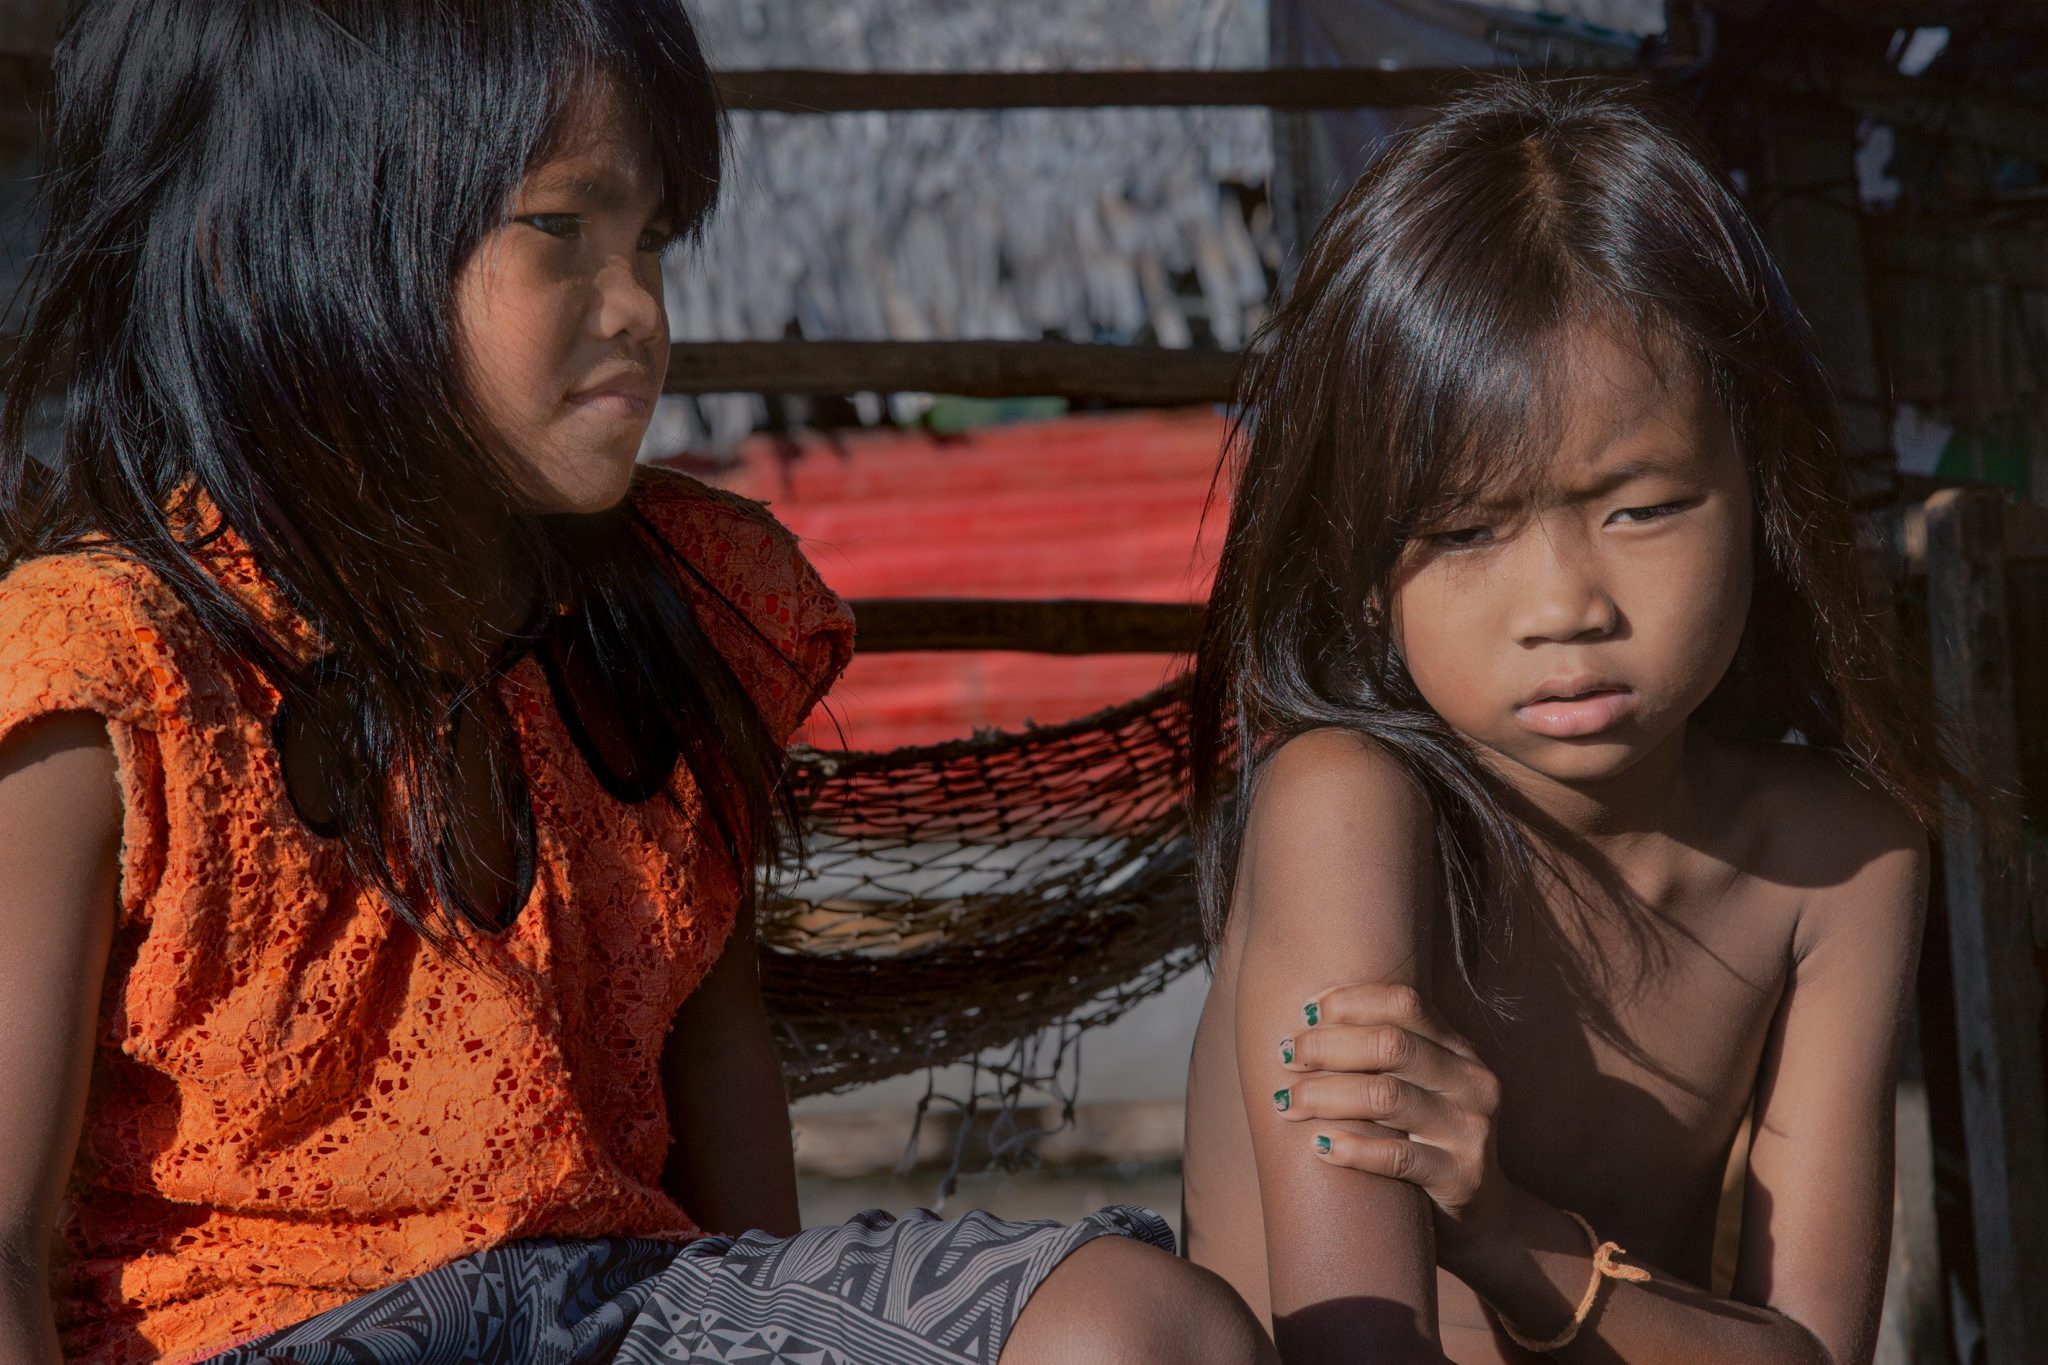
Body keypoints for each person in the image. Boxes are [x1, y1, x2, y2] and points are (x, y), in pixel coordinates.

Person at [0, 4, 1276, 1362]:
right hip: (267, 1330)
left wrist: (797, 1325)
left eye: (653, 243)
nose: (639, 313)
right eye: (560, 229)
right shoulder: (110, 676)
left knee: (1145, 1331)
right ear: (272, 249)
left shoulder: (665, 616)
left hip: (628, 1305)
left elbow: (722, 1091)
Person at [1180, 77, 1944, 1365]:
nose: (1565, 605)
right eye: (1465, 533)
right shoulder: (1345, 807)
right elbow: (1353, 1349)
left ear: (1753, 481)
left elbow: (1812, 1356)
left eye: (1638, 508)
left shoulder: (1841, 860)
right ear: (1368, 573)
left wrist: (1502, 1233)